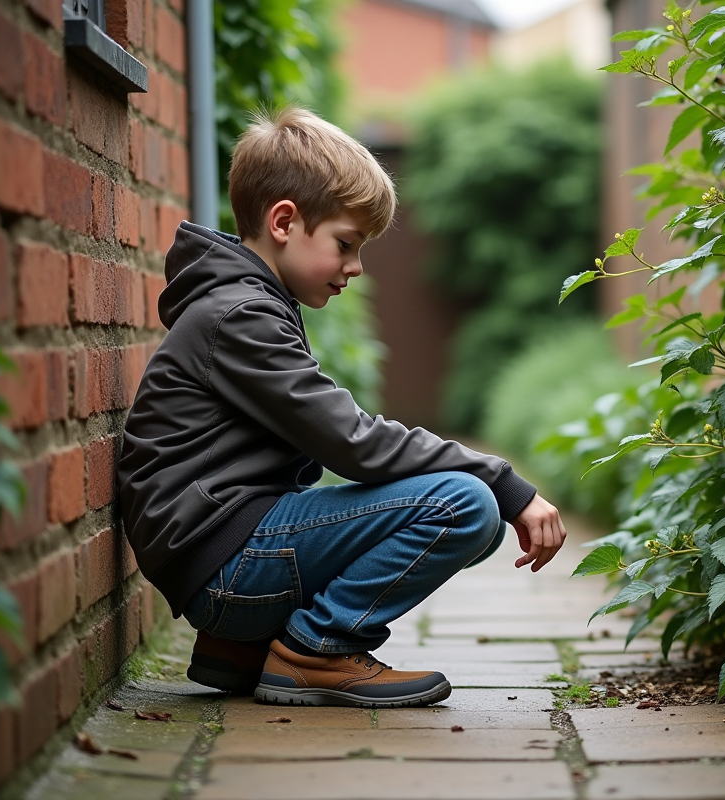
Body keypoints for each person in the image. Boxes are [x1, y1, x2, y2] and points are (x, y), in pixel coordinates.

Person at [116, 106, 567, 709]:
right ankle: (315, 649)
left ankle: (241, 647)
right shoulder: (240, 316)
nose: (355, 267)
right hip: (224, 568)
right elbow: (353, 442)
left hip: (219, 558)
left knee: (469, 515)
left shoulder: (245, 303)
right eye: (346, 244)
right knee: (466, 506)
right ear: (284, 221)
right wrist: (504, 481)